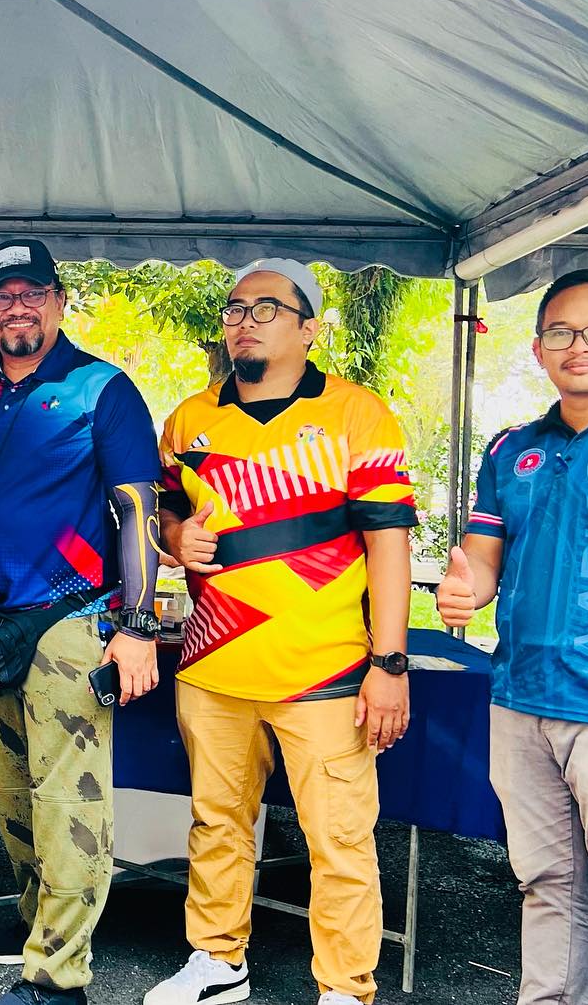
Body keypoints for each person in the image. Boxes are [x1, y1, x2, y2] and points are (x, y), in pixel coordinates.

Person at [147, 258, 416, 1005]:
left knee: (340, 839)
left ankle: (345, 986)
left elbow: (389, 542)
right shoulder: (189, 420)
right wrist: (176, 537)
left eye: (266, 309)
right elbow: (166, 514)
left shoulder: (358, 414)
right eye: (235, 309)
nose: (244, 322)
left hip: (325, 673)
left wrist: (390, 663)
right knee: (216, 823)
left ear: (310, 328)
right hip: (212, 665)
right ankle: (217, 960)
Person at [0, 238, 160, 1005]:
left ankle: (58, 974)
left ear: (60, 301)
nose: (18, 307)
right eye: (2, 295)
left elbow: (138, 508)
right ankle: (37, 917)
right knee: (7, 794)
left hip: (73, 620)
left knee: (69, 799)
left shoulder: (100, 388)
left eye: (32, 292)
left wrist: (137, 624)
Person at [436, 268, 588, 1005]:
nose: (581, 345)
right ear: (538, 349)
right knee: (548, 878)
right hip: (520, 697)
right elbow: (483, 559)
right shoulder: (512, 449)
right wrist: (465, 588)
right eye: (562, 332)